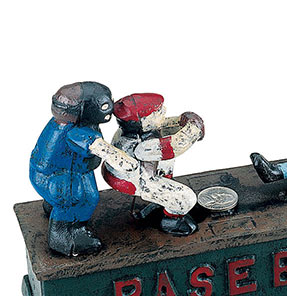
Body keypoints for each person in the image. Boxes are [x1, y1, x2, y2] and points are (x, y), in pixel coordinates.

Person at [30, 81, 138, 256]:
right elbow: (95, 145)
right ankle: (65, 236)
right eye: (105, 106)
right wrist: (123, 160)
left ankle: (53, 207)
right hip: (54, 178)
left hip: (54, 172)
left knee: (74, 193)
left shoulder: (67, 123)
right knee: (84, 198)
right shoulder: (77, 132)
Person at [102, 93, 204, 236]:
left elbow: (164, 125)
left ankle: (163, 189)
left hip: (138, 171)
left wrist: (181, 120)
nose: (164, 111)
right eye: (158, 112)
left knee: (165, 155)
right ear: (143, 121)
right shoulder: (141, 145)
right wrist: (194, 130)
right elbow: (175, 146)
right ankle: (171, 220)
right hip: (135, 181)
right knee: (186, 198)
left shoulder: (132, 131)